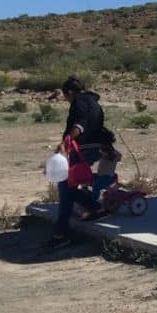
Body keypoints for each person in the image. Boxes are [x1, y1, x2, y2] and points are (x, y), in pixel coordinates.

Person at [47, 76, 106, 246]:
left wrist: (65, 143)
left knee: (65, 189)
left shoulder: (79, 102)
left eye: (66, 96)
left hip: (81, 149)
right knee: (68, 188)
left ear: (70, 92)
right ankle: (95, 208)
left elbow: (80, 125)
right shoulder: (94, 103)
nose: (66, 99)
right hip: (94, 148)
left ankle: (60, 235)